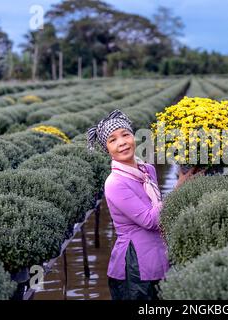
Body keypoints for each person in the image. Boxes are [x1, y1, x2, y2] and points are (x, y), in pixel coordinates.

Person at [87, 110, 168, 300]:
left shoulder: (147, 171)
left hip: (160, 256)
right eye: (112, 140)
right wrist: (180, 186)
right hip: (136, 268)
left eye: (125, 134)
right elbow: (149, 220)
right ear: (106, 148)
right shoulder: (115, 183)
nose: (122, 142)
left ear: (134, 137)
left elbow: (159, 208)